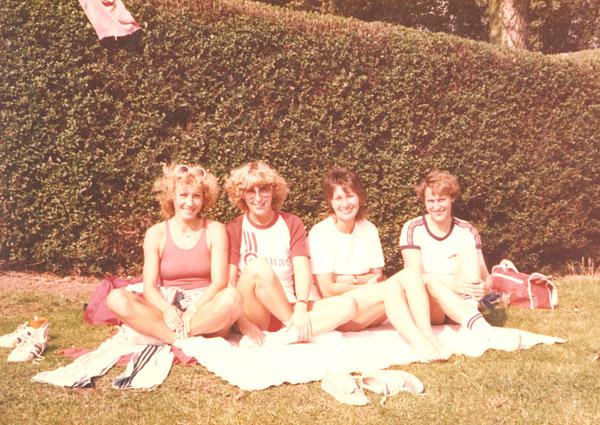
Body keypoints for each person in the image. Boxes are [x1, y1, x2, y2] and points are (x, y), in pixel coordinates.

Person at [309, 167, 449, 362]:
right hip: (339, 312)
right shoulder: (320, 233)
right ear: (330, 202)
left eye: (350, 196)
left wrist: (347, 279)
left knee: (410, 275)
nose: (345, 204)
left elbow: (377, 278)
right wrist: (362, 281)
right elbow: (327, 290)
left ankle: (427, 334)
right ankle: (418, 342)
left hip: (368, 310)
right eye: (338, 198)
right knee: (391, 287)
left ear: (359, 197)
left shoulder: (369, 229)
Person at [224, 161, 357, 346]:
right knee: (258, 267)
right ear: (242, 194)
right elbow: (230, 284)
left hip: (289, 306)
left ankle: (286, 335)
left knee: (348, 305)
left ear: (273, 191)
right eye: (250, 191)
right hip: (256, 312)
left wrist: (301, 306)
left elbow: (302, 270)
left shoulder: (291, 223)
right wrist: (244, 325)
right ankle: (297, 329)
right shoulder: (235, 227)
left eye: (264, 189)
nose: (258, 197)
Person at [107, 164, 242, 345]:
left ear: (204, 199)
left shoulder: (215, 230)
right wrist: (167, 310)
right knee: (116, 298)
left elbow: (219, 283)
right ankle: (179, 338)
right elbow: (149, 287)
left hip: (203, 307)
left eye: (196, 196)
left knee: (233, 297)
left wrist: (193, 309)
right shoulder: (156, 233)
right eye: (183, 195)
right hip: (168, 304)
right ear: (171, 197)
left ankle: (168, 334)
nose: (190, 203)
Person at [400, 169, 520, 349]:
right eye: (430, 201)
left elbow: (487, 277)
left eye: (441, 200)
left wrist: (484, 288)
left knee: (469, 251)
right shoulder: (413, 228)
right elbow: (415, 277)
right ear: (424, 202)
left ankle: (469, 323)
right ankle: (480, 328)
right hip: (429, 306)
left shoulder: (467, 230)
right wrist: (452, 285)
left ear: (452, 198)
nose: (436, 206)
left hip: (462, 300)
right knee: (427, 282)